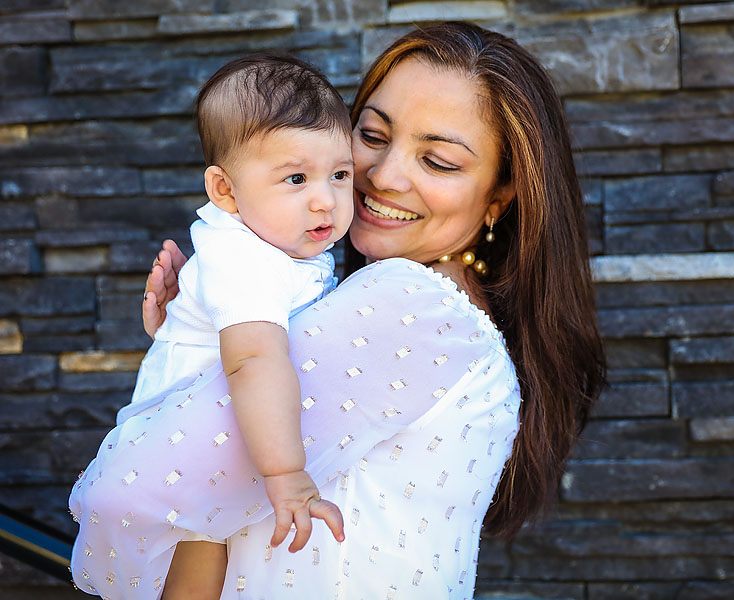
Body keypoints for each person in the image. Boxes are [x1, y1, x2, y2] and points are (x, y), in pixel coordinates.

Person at [97, 21, 604, 600]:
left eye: (437, 161)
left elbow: (136, 482)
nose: (383, 177)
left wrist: (187, 364)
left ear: (498, 196)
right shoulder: (441, 310)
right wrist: (205, 327)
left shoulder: (409, 306)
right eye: (372, 135)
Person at [68, 54, 353, 598]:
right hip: (183, 437)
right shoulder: (247, 257)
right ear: (224, 191)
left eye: (339, 174)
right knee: (200, 544)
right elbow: (254, 359)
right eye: (296, 177)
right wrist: (287, 472)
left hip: (218, 419)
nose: (326, 198)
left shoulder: (278, 238)